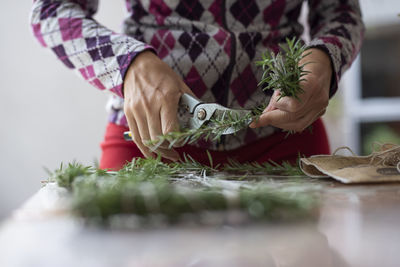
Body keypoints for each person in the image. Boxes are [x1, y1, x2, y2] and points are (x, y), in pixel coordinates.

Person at [30, 0, 364, 170]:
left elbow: (341, 11)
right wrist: (128, 63)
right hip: (151, 140)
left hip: (284, 138)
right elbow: (51, 11)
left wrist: (325, 59)